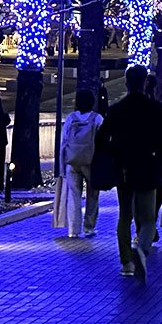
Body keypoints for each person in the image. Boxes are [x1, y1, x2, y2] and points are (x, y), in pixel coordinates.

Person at [99, 65, 162, 277]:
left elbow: (101, 139)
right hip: (149, 166)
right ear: (145, 82)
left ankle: (126, 261)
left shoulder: (117, 110)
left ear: (126, 83)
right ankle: (142, 249)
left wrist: (114, 154)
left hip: (124, 168)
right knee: (147, 218)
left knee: (125, 215)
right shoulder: (157, 110)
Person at [60, 89, 103, 238]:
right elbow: (102, 143)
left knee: (73, 195)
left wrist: (61, 166)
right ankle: (89, 227)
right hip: (91, 162)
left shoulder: (71, 119)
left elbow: (63, 143)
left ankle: (73, 229)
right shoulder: (97, 119)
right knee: (92, 195)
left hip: (72, 161)